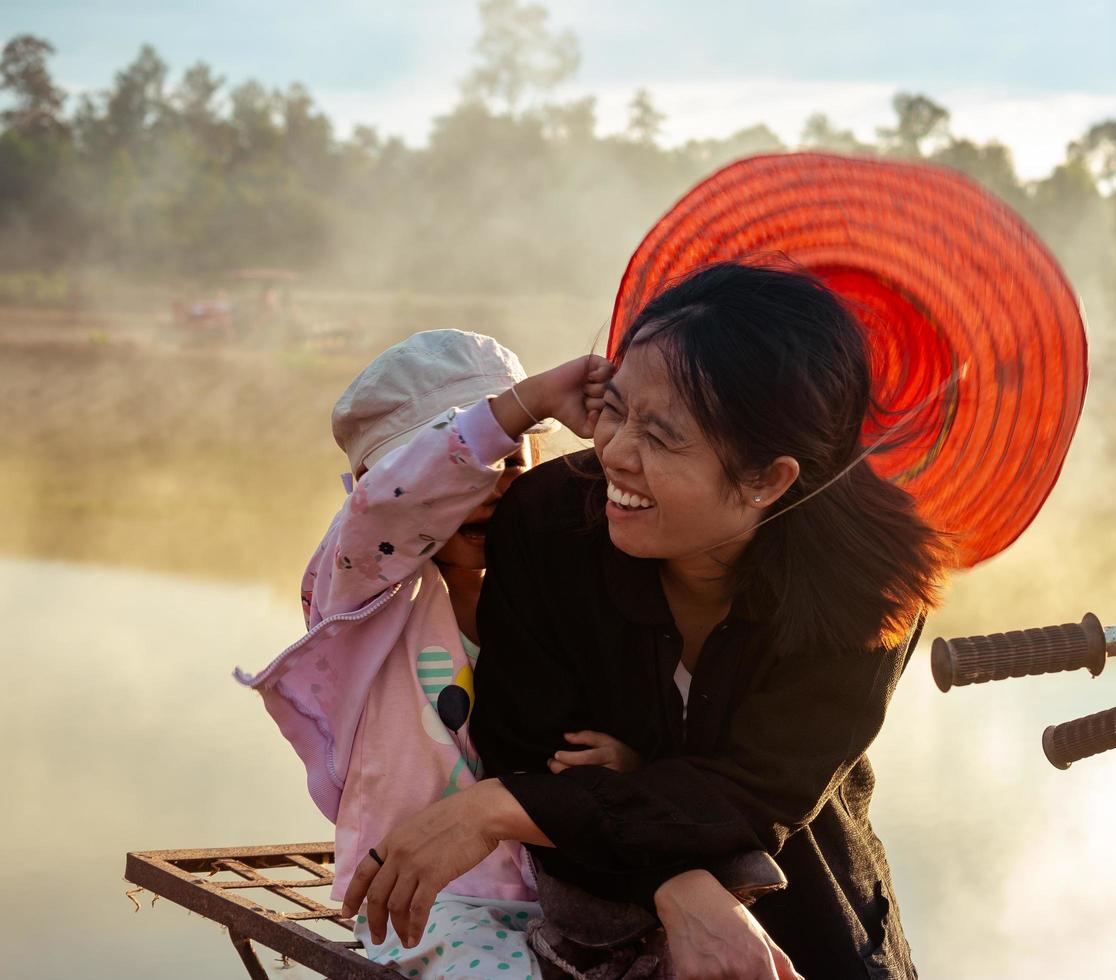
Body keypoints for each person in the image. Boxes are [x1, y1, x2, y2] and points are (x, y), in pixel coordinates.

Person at [342, 263, 950, 979]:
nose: (613, 454)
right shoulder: (550, 522)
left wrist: (489, 810)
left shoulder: (867, 591)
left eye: (660, 437)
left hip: (801, 917)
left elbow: (756, 796)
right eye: (616, 409)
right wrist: (675, 882)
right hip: (600, 915)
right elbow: (528, 741)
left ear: (766, 479)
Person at [240, 329, 785, 980]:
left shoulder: (554, 596)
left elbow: (590, 750)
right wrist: (525, 405)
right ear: (374, 487)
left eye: (513, 465)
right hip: (433, 897)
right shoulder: (364, 593)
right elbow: (389, 511)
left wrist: (624, 767)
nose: (491, 487)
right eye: (458, 471)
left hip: (573, 888)